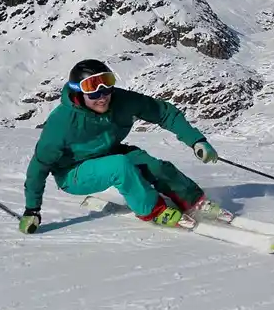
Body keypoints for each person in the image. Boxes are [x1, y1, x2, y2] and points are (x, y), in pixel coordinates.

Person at [18, 58, 223, 234]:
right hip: (72, 172)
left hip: (107, 151)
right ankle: (152, 210)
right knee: (120, 166)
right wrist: (32, 209)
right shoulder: (61, 123)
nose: (102, 96)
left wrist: (196, 140)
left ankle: (193, 201)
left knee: (153, 166)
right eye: (93, 90)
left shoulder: (121, 100)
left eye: (106, 85)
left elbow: (163, 113)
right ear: (78, 93)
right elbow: (40, 166)